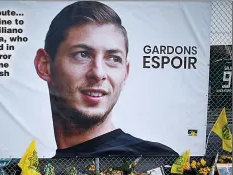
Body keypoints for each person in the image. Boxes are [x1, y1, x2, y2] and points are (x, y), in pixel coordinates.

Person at [34, 1, 178, 157]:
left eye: (113, 59)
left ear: (125, 73)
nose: (98, 73)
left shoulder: (155, 160)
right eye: (82, 54)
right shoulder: (31, 171)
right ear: (45, 65)